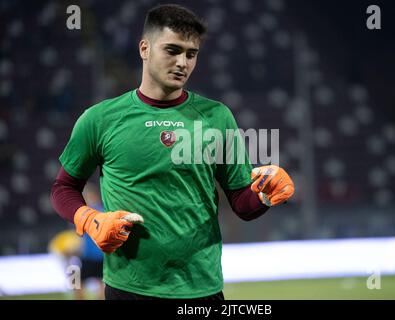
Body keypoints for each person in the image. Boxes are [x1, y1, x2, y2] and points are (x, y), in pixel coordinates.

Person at [50, 4, 295, 300]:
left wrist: (264, 195)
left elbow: (242, 203)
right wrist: (89, 219)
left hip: (202, 289)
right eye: (172, 50)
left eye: (191, 54)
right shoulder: (99, 120)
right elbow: (64, 187)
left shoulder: (217, 117)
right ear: (144, 48)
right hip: (128, 288)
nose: (183, 62)